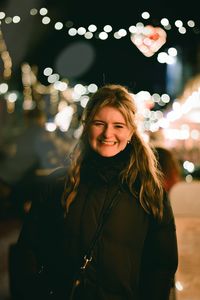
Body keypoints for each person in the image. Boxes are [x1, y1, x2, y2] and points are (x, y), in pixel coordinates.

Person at [13, 84, 178, 300]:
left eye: (118, 125)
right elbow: (28, 250)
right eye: (99, 123)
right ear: (87, 125)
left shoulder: (148, 191)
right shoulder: (57, 184)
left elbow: (161, 264)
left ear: (130, 132)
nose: (107, 133)